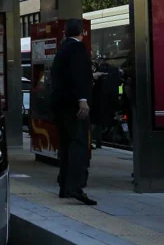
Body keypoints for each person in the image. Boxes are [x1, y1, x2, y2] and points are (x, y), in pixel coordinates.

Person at [50, 18, 96, 205]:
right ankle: (76, 186)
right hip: (73, 106)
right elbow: (76, 76)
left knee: (65, 144)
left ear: (65, 33)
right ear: (82, 33)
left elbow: (65, 76)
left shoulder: (62, 49)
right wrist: (82, 100)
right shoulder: (77, 49)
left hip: (60, 105)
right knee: (78, 144)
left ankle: (64, 186)